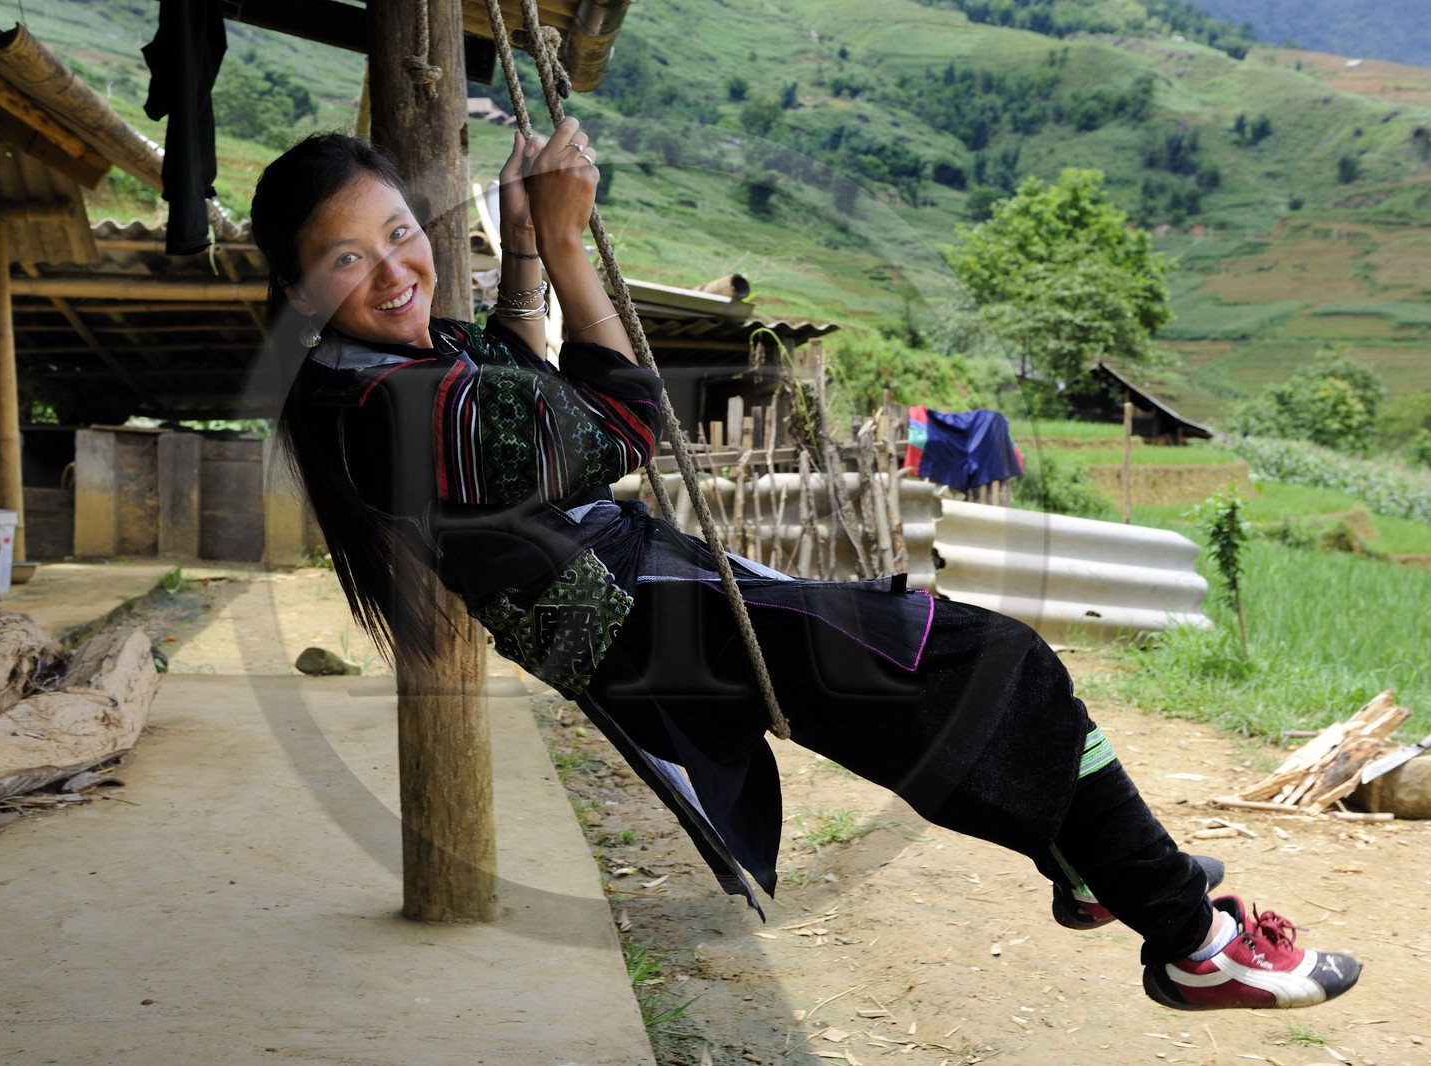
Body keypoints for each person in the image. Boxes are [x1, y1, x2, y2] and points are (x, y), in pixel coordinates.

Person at [249, 119, 1361, 1012]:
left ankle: (1102, 870)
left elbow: (505, 359)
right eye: (346, 258)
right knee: (999, 666)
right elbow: (624, 422)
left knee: (953, 688)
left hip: (642, 600)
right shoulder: (406, 411)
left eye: (400, 230)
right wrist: (572, 245)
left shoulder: (384, 370)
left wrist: (523, 243)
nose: (395, 270)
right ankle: (1193, 943)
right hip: (646, 623)